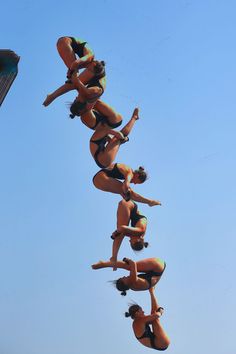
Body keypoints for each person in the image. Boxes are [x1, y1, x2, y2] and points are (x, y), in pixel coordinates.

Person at [93, 163, 161, 205]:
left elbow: (122, 188)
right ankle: (150, 202)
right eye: (136, 182)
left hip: (98, 180)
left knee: (127, 193)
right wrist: (127, 194)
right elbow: (126, 186)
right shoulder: (130, 173)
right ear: (137, 175)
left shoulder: (127, 171)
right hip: (101, 178)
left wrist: (126, 196)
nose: (134, 183)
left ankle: (149, 202)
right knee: (129, 192)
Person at [92, 257, 166, 295]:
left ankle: (105, 264)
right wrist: (126, 259)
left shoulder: (133, 287)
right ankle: (104, 264)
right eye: (123, 278)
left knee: (130, 268)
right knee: (128, 266)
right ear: (125, 283)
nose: (124, 276)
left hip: (156, 271)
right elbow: (133, 263)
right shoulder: (132, 281)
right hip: (157, 266)